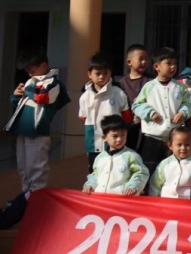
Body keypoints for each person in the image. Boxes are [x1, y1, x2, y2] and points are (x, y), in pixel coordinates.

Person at [7, 46, 71, 193]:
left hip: (37, 132)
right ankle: (25, 196)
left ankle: (36, 196)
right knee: (23, 168)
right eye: (27, 71)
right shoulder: (31, 81)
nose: (29, 73)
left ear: (43, 65)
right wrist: (16, 96)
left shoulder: (53, 82)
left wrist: (28, 90)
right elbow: (21, 105)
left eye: (32, 70)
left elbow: (42, 97)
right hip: (23, 131)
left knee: (36, 168)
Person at [133, 47, 191, 174]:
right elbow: (137, 105)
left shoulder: (180, 87)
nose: (173, 67)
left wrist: (183, 113)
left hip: (174, 137)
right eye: (169, 63)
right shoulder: (149, 86)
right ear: (157, 66)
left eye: (175, 63)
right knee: (150, 169)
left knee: (172, 170)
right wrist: (150, 113)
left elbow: (189, 104)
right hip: (152, 136)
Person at [78, 53, 131, 170]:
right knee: (95, 169)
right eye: (98, 73)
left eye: (105, 73)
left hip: (115, 139)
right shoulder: (85, 96)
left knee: (115, 168)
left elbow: (126, 115)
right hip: (93, 140)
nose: (102, 77)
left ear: (110, 73)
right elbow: (83, 117)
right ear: (89, 74)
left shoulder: (118, 93)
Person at [83, 115, 149, 195]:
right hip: (99, 199)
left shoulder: (132, 156)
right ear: (104, 137)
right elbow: (95, 175)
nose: (119, 139)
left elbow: (141, 173)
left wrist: (132, 186)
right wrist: (90, 185)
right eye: (115, 136)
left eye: (123, 135)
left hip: (121, 199)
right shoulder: (99, 158)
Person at [149, 126, 191, 199]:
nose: (183, 148)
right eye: (179, 145)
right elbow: (155, 185)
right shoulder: (165, 164)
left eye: (187, 145)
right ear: (170, 145)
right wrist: (153, 200)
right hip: (165, 202)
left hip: (187, 203)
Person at [120, 44, 151, 150]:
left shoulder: (151, 81)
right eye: (140, 59)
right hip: (128, 128)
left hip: (147, 127)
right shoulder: (121, 83)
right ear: (129, 62)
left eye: (146, 59)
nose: (144, 62)